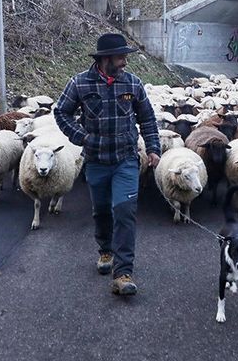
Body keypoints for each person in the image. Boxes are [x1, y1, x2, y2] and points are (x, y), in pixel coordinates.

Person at [54, 33, 161, 296]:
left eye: (125, 56)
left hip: (125, 159)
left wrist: (154, 148)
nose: (125, 61)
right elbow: (61, 112)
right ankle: (105, 249)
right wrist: (81, 137)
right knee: (101, 211)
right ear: (105, 59)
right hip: (96, 162)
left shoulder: (133, 83)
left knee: (124, 211)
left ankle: (123, 273)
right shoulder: (80, 83)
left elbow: (147, 118)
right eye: (121, 56)